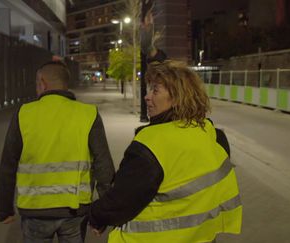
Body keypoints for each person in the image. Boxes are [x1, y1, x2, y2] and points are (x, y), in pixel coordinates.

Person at [88, 60, 242, 243]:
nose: (147, 97)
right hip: (203, 237)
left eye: (155, 90)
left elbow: (121, 200)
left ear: (177, 97)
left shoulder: (151, 143)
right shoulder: (213, 136)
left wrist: (96, 216)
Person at [0, 59, 115, 243]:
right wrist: (102, 216)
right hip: (75, 212)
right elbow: (104, 166)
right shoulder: (88, 114)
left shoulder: (23, 114)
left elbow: (8, 165)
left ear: (42, 83)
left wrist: (4, 209)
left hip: (35, 211)